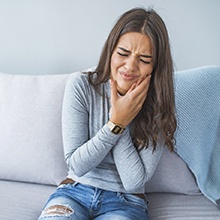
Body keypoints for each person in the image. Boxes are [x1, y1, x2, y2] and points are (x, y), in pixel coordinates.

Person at [38, 7, 177, 220]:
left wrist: (124, 117)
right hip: (74, 192)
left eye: (144, 59)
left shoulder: (158, 103)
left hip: (127, 202)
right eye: (123, 53)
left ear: (155, 67)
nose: (130, 66)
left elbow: (134, 182)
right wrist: (116, 123)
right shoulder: (81, 86)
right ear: (110, 51)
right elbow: (77, 165)